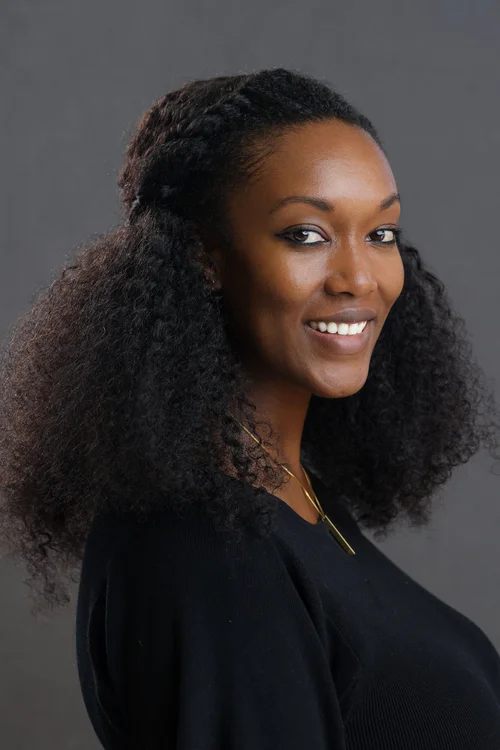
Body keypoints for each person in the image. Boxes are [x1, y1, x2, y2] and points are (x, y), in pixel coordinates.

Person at [1, 67, 499, 749]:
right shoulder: (203, 550)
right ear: (204, 258)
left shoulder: (290, 497)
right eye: (307, 234)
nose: (361, 277)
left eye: (381, 233)